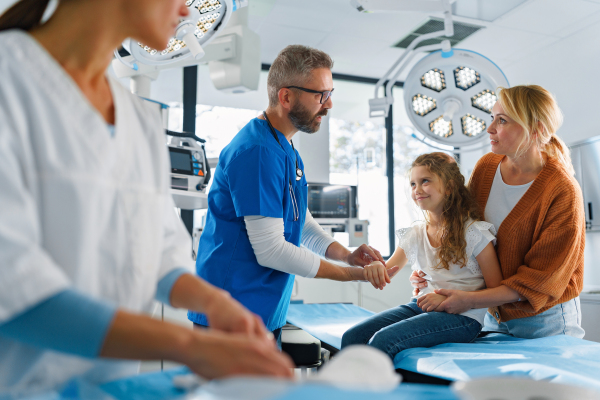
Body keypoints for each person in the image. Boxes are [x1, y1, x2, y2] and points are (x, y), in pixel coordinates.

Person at [0, 0, 293, 393]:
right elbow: (15, 284)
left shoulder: (136, 118)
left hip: (109, 386)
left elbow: (156, 253)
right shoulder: (10, 78)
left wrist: (218, 305)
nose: (188, 12)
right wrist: (191, 346)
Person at [187, 45, 389, 344]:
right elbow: (271, 250)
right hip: (231, 312)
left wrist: (346, 256)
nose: (329, 104)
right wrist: (350, 276)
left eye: (330, 92)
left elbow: (300, 222)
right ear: (286, 97)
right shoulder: (257, 152)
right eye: (321, 94)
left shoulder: (285, 147)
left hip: (261, 309)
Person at [410, 85, 585, 339]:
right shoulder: (486, 166)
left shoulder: (562, 191)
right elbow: (464, 233)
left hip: (543, 319)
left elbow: (538, 280)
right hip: (491, 312)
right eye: (492, 118)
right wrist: (436, 274)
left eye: (501, 120)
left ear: (535, 129)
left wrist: (469, 299)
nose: (489, 129)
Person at [341, 153, 504, 360]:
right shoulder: (416, 233)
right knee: (352, 337)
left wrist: (445, 300)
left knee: (383, 341)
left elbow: (497, 290)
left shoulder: (474, 233)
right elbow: (388, 270)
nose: (417, 190)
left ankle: (380, 392)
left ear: (449, 187)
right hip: (420, 306)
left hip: (462, 318)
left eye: (425, 181)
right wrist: (375, 267)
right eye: (412, 184)